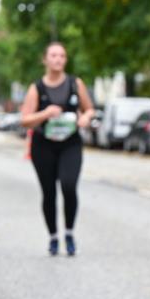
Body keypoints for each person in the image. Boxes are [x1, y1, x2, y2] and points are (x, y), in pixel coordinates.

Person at [20, 42, 95, 256]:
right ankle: (53, 236)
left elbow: (89, 109)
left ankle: (69, 233)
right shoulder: (37, 88)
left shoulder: (74, 83)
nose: (58, 59)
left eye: (62, 56)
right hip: (43, 145)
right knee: (49, 193)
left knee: (69, 186)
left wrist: (85, 118)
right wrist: (45, 113)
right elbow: (25, 120)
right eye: (53, 55)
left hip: (70, 143)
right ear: (45, 60)